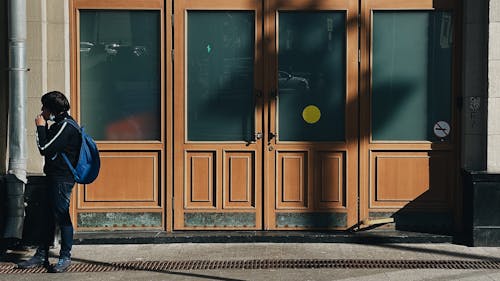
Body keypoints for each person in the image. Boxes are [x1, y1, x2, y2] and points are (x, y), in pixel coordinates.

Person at [17, 91, 81, 273]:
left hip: (62, 179)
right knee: (47, 217)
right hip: (54, 177)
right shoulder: (61, 124)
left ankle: (65, 257)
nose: (41, 110)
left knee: (62, 216)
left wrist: (40, 126)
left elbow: (44, 148)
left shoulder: (65, 127)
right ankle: (41, 255)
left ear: (51, 109)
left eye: (44, 106)